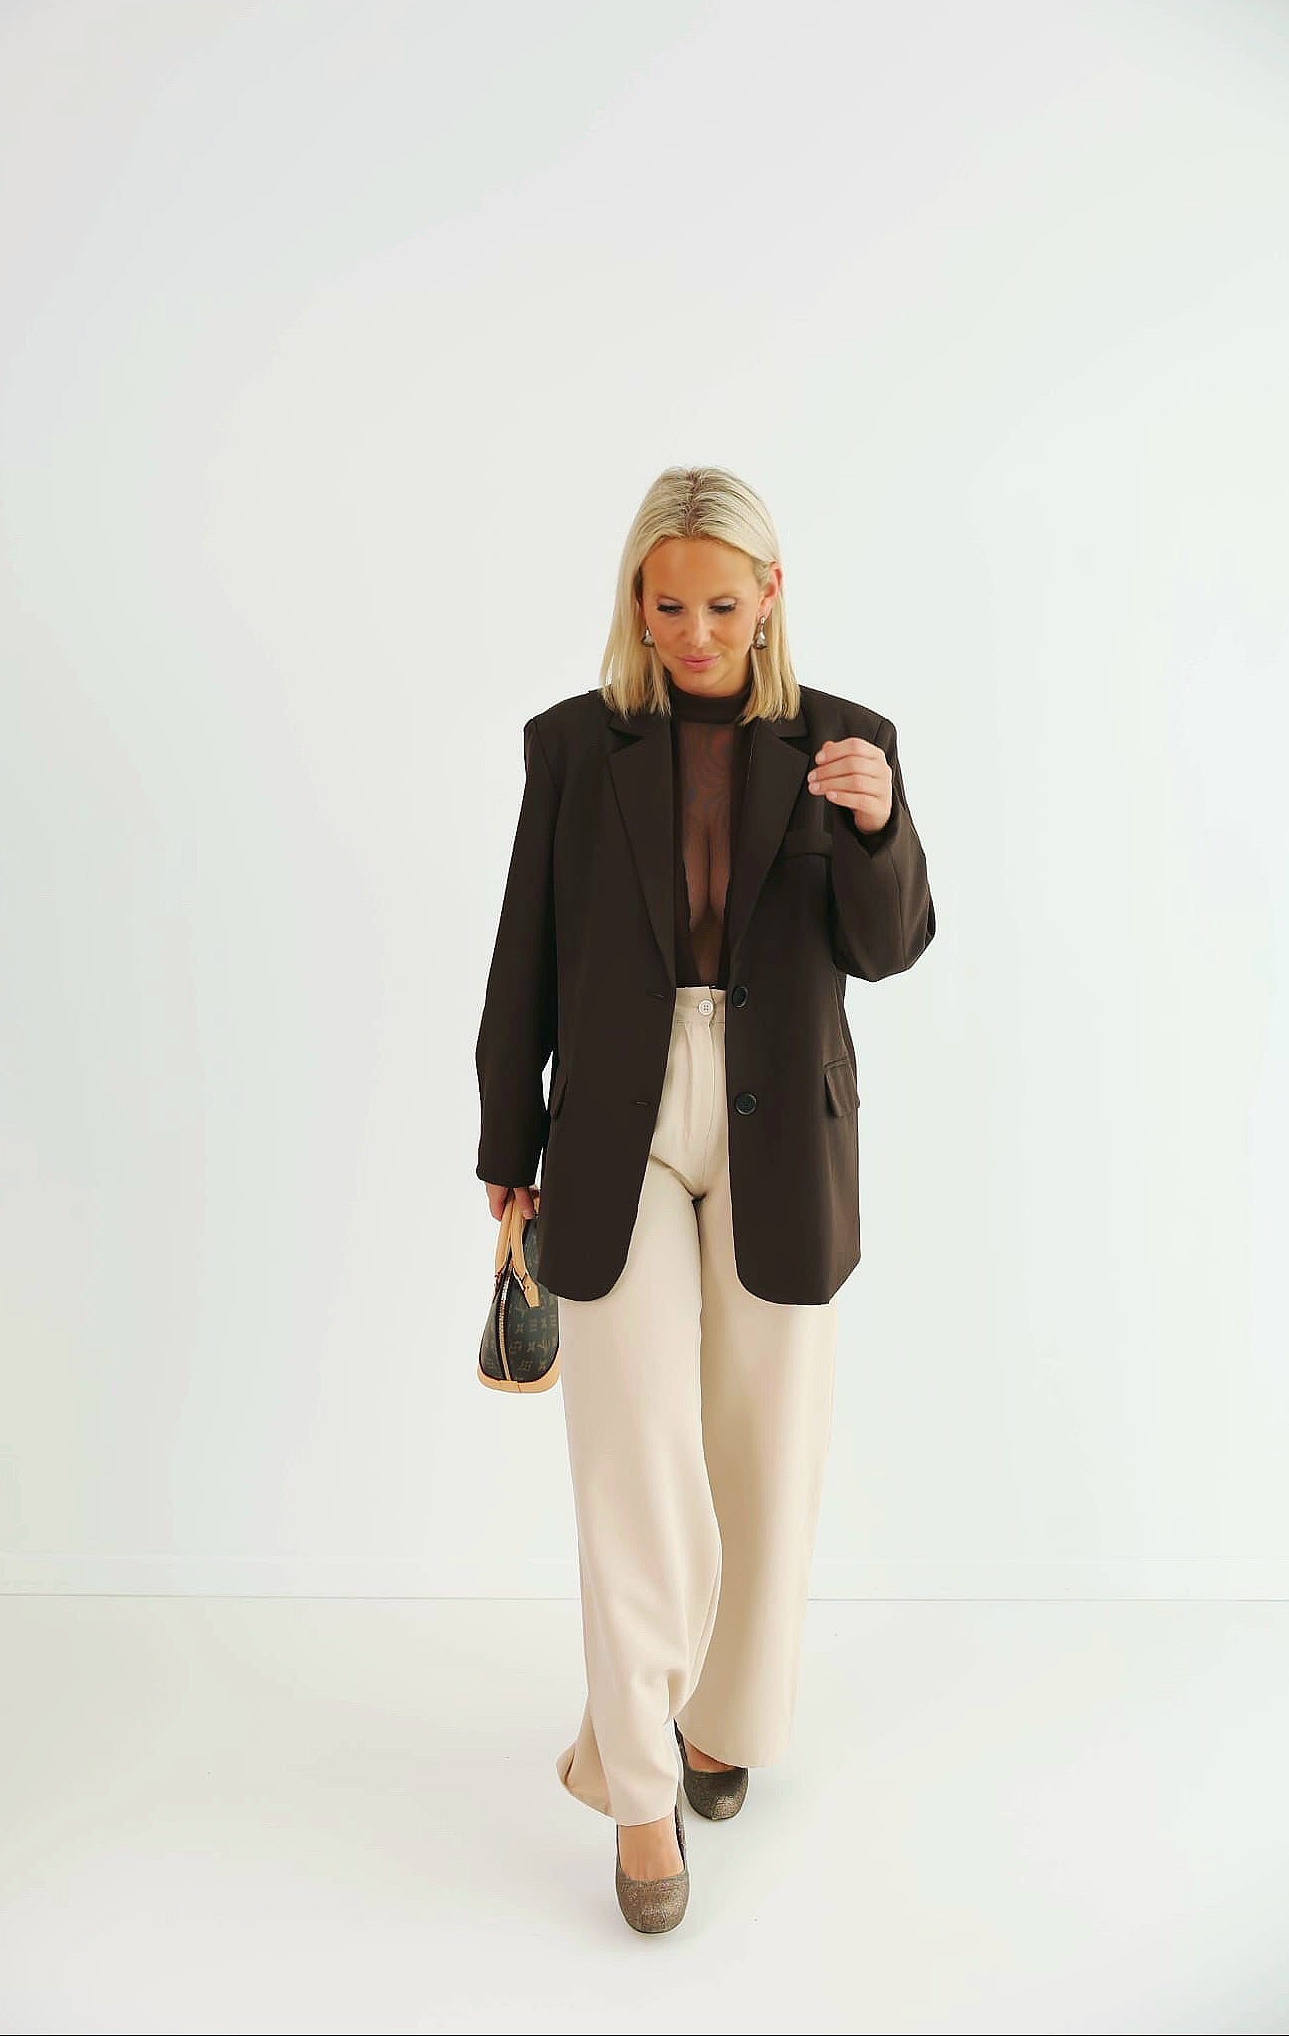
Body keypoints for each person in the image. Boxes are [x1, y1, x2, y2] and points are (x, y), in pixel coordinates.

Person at [475, 464, 935, 1931]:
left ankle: (724, 1724)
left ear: (770, 597)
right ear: (636, 598)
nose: (692, 635)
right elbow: (523, 952)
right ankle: (636, 1788)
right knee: (631, 1453)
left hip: (778, 1123)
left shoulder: (847, 742)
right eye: (667, 606)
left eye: (721, 607)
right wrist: (506, 1146)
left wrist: (880, 829)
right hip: (617, 1120)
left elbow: (891, 945)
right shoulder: (574, 745)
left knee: (763, 1444)